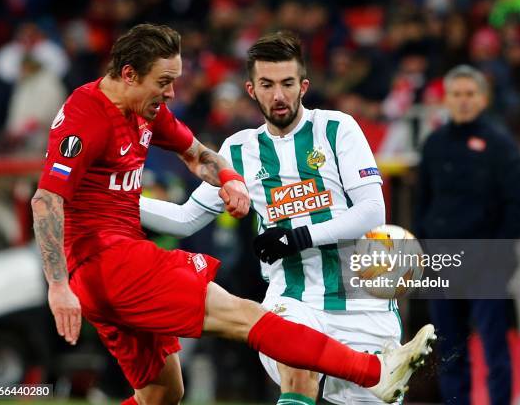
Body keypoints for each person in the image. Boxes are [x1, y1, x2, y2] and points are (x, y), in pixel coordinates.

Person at [31, 24, 435, 405]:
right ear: (130, 74)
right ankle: (374, 371)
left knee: (162, 392)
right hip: (120, 262)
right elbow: (46, 201)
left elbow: (198, 157)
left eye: (288, 84)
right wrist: (57, 285)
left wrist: (230, 179)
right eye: (164, 82)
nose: (171, 93)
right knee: (248, 320)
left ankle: (374, 373)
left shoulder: (336, 128)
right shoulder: (89, 118)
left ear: (304, 86)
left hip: (358, 301)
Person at [413, 65, 520, 405]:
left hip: (485, 262)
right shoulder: (433, 144)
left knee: (494, 347)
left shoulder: (501, 146)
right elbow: (423, 203)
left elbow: (517, 207)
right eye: (456, 94)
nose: (463, 101)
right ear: (446, 99)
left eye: (470, 94)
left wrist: (498, 256)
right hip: (442, 260)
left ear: (483, 98)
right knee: (449, 349)